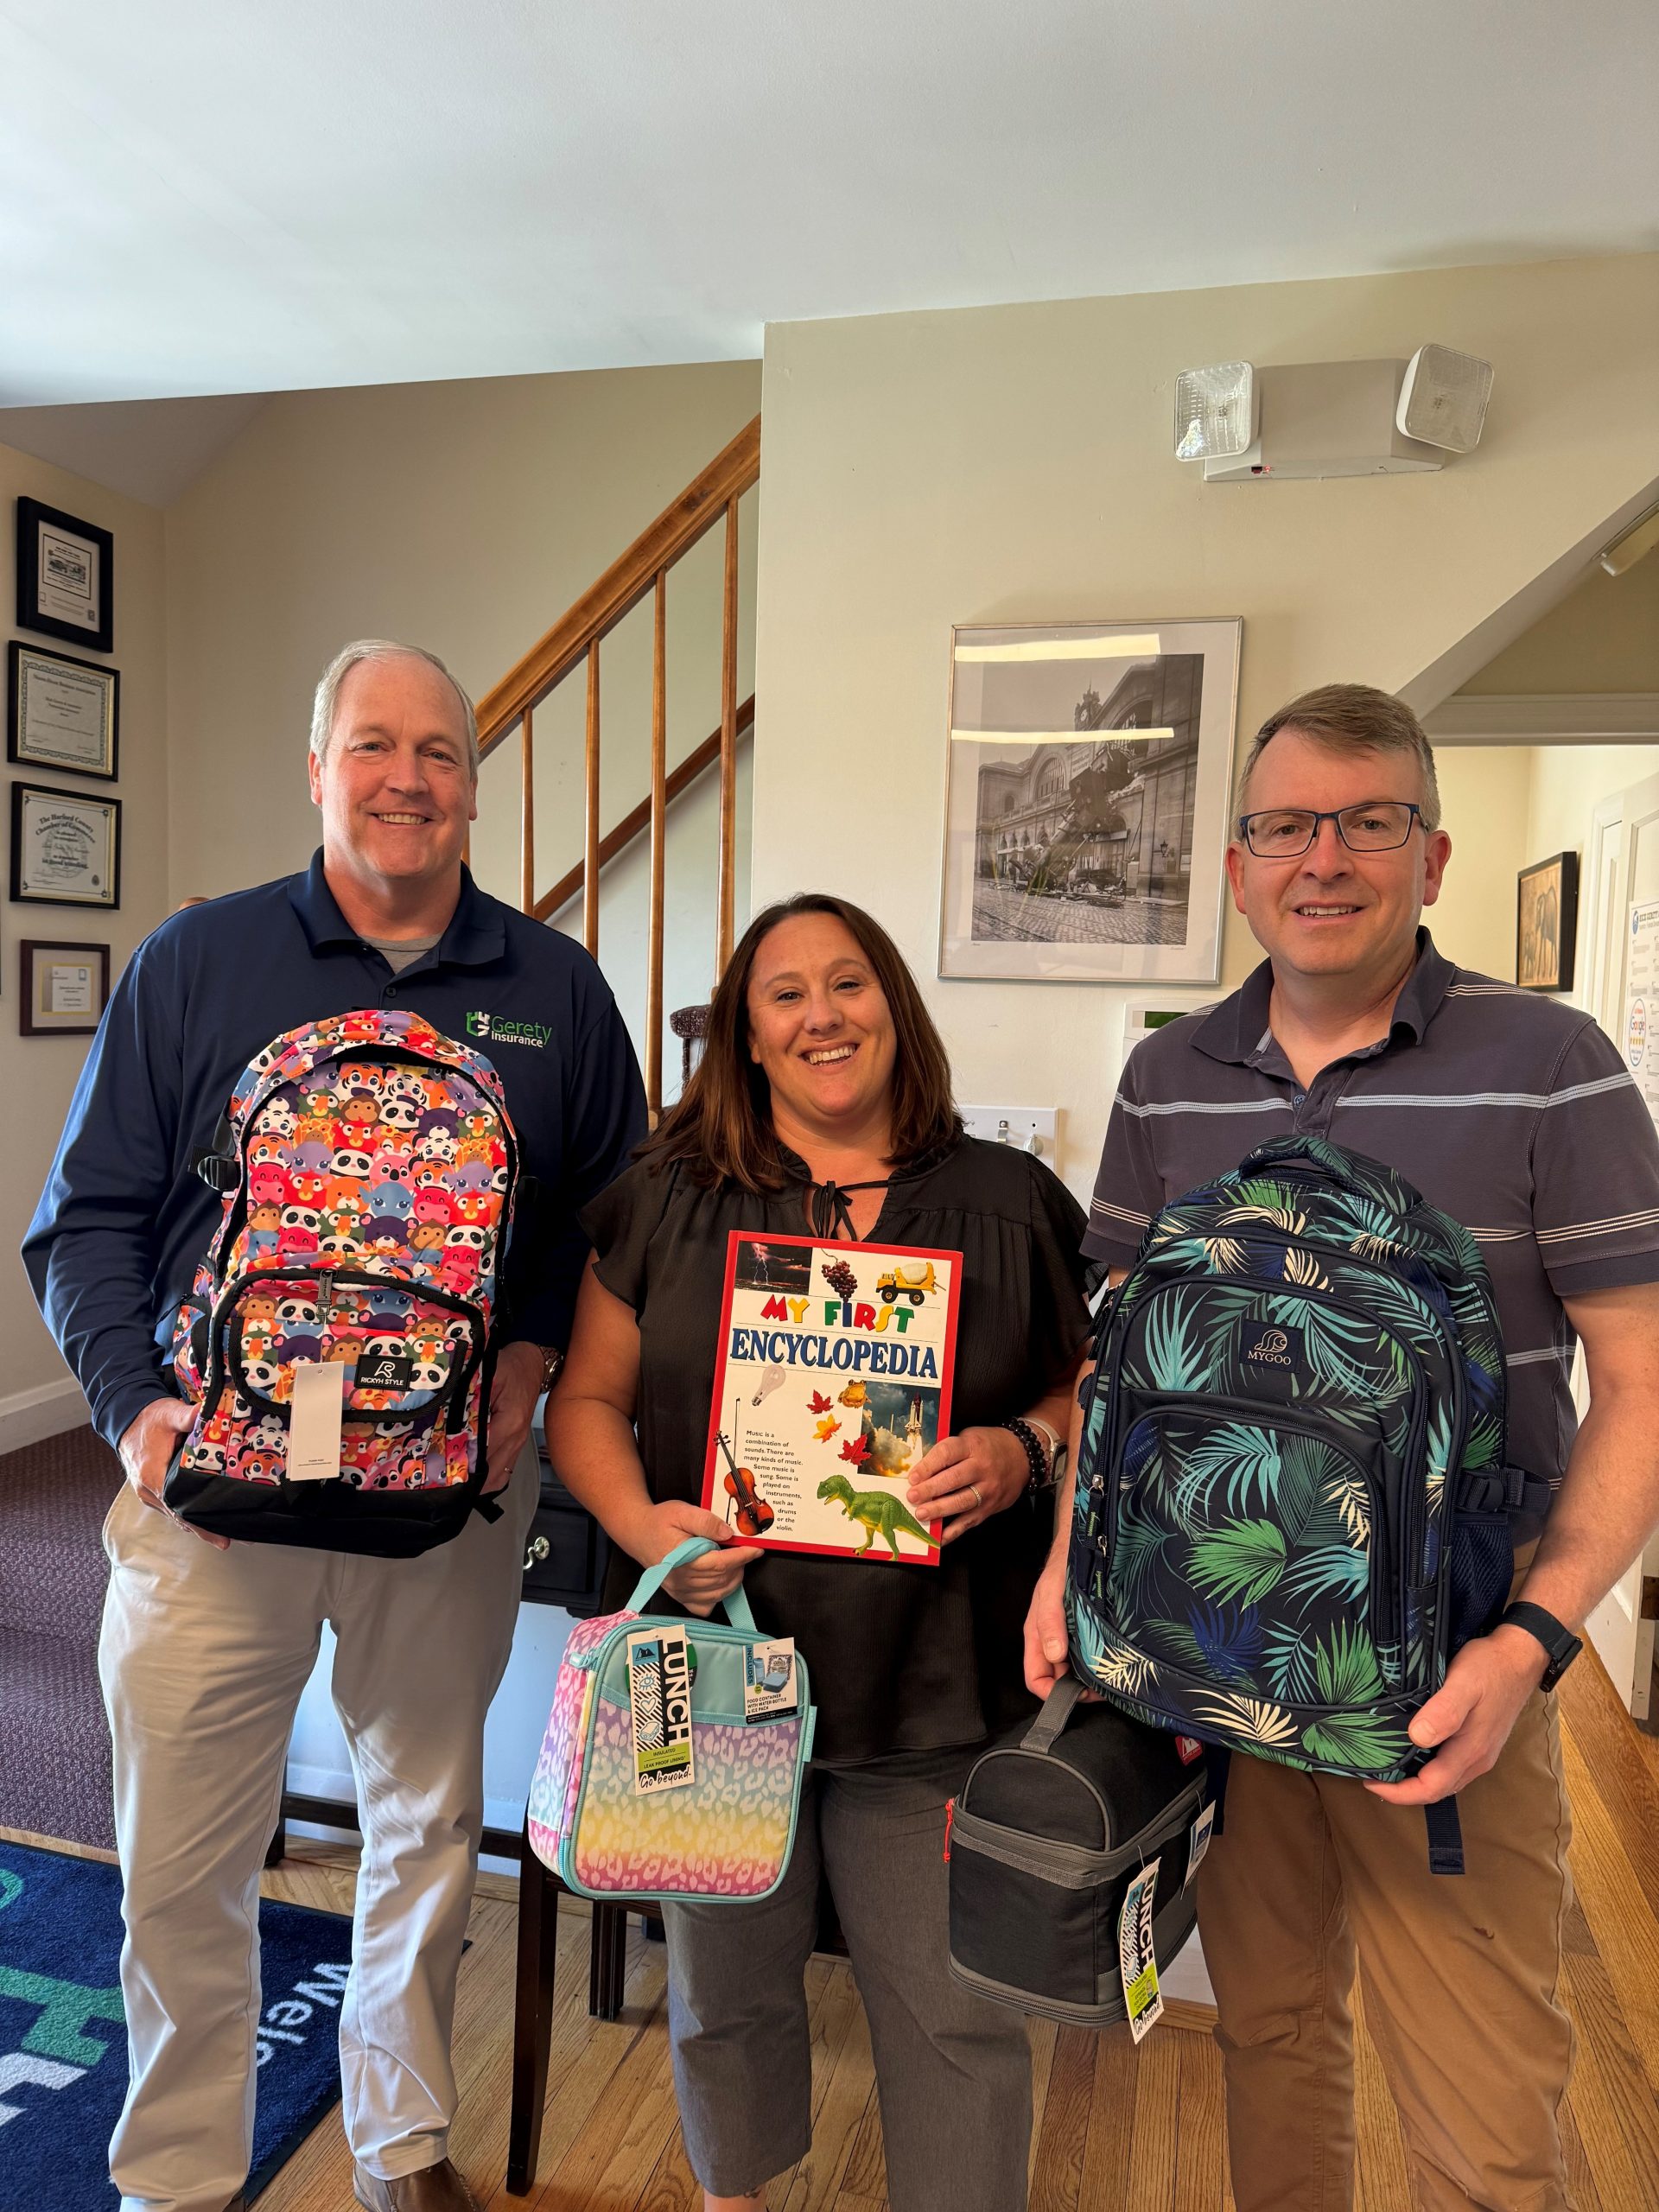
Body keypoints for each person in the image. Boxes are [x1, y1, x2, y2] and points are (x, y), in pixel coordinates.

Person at [23, 639, 646, 2212]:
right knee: (179, 1867)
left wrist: (526, 1362)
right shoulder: (200, 960)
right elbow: (84, 1217)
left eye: (438, 752)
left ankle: (402, 2139)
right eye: (375, 746)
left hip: (444, 1496)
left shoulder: (555, 990)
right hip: (209, 1498)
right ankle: (172, 2178)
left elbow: (608, 1230)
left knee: (429, 1830)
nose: (406, 780)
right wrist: (133, 1409)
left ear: (472, 785)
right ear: (318, 768)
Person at [1026, 684, 1659, 2212]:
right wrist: (1072, 1582)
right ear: (1240, 864)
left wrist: (1533, 1644)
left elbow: (1643, 1381)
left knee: (1484, 2102)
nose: (1328, 858)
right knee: (1270, 2035)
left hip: (1455, 1668)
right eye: (1289, 825)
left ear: (1430, 859)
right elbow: (1112, 1367)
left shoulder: (1552, 1059)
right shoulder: (1167, 1075)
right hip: (1215, 1643)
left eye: (1370, 821)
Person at [545, 892, 1093, 2212]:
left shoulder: (1008, 1200)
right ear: (745, 1032)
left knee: (952, 2014)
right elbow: (584, 1407)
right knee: (724, 1994)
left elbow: (1100, 1390)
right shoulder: (670, 1198)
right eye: (784, 994)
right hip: (711, 1669)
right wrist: (645, 1532)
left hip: (934, 1686)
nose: (820, 1016)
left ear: (893, 1008)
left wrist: (1025, 1444)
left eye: (847, 984)